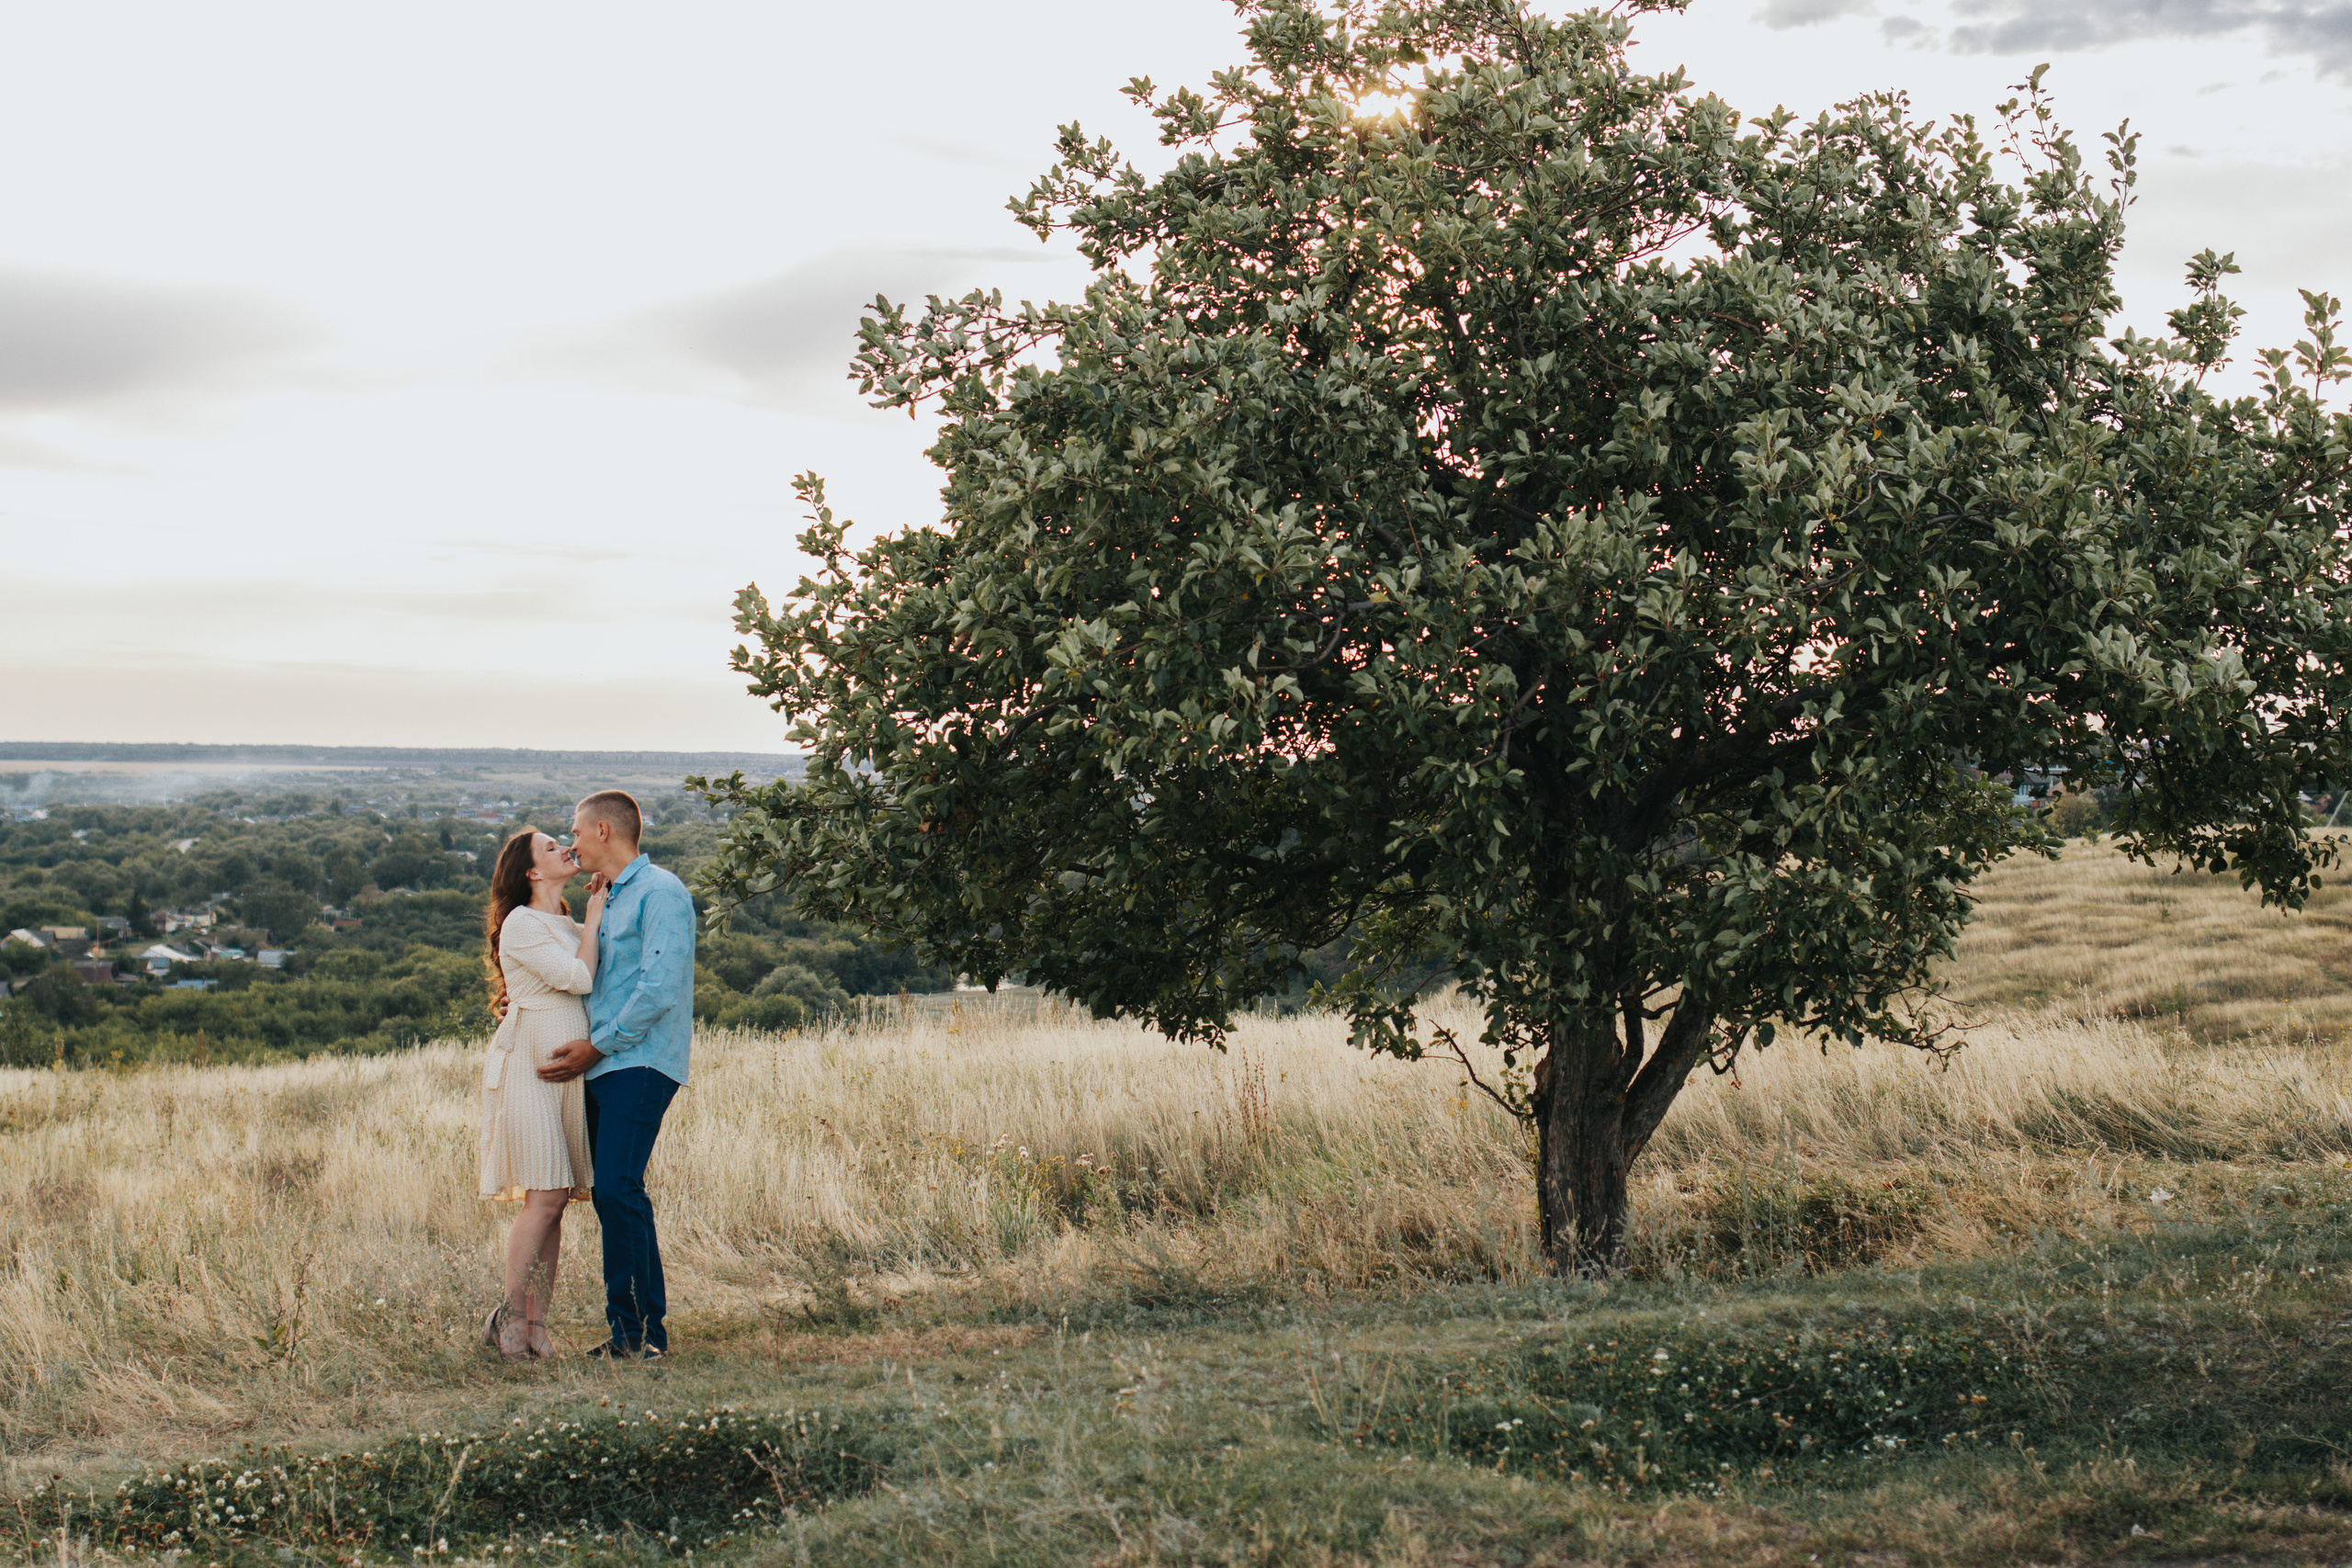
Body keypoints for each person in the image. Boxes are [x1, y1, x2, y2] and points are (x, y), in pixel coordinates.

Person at [538, 789, 695, 1360]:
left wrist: (595, 1047)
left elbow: (658, 989)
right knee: (614, 1196)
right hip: (604, 1062)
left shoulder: (662, 893)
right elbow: (588, 980)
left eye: (576, 831)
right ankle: (632, 1330)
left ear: (604, 831)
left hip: (640, 1060)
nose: (571, 841)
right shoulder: (608, 897)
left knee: (617, 1189)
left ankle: (641, 1335)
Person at [478, 828, 606, 1359]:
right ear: (532, 872)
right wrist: (597, 911)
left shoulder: (563, 922)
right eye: (552, 848)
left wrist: (590, 915)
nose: (564, 850)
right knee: (546, 1195)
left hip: (565, 1074)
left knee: (553, 1202)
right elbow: (579, 978)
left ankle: (536, 1324)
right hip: (529, 1067)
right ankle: (509, 1321)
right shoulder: (522, 922)